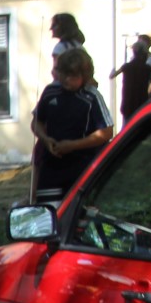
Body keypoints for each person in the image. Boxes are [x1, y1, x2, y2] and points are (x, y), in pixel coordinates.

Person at [31, 47, 113, 202]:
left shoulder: (91, 96)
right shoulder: (50, 91)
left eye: (72, 75)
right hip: (51, 165)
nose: (66, 79)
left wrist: (73, 145)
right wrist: (45, 139)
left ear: (84, 75)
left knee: (78, 211)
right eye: (63, 74)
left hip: (83, 167)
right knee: (49, 211)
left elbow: (106, 132)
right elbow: (37, 122)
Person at [109, 36, 151, 121]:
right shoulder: (147, 68)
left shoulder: (127, 67)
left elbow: (112, 76)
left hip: (128, 102)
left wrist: (112, 71)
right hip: (142, 102)